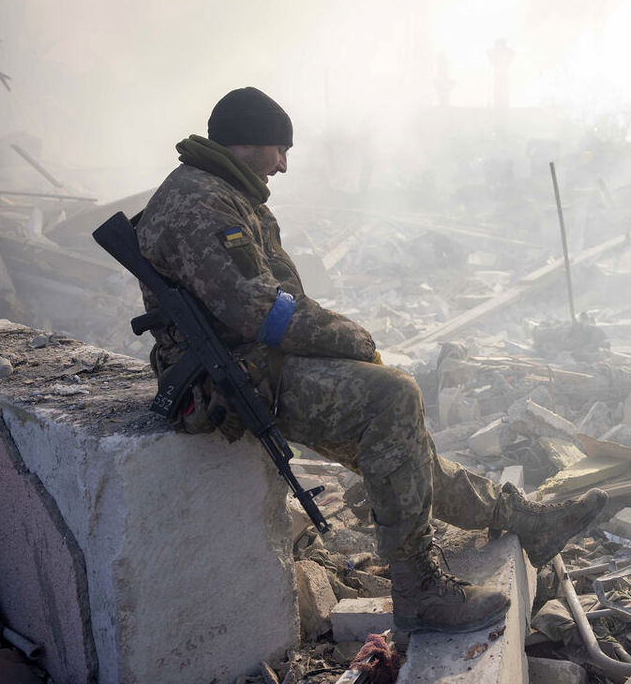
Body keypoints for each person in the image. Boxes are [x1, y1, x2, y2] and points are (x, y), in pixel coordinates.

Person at [133, 86, 607, 633]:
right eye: (279, 150)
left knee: (399, 445)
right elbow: (259, 311)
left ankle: (518, 518)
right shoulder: (202, 202)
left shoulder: (213, 190)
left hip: (249, 365)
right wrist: (350, 338)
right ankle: (420, 591)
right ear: (250, 142)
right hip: (231, 380)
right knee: (393, 396)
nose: (283, 165)